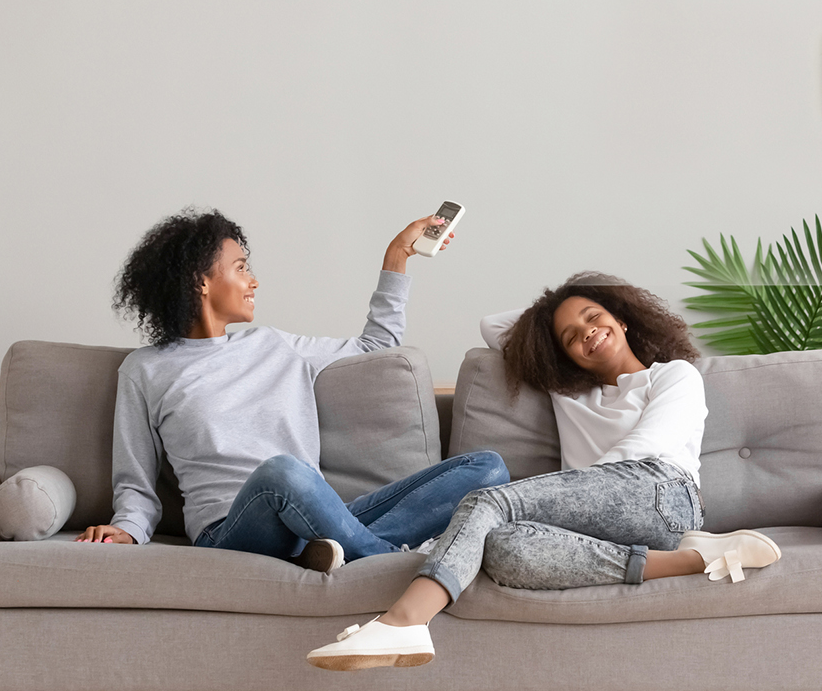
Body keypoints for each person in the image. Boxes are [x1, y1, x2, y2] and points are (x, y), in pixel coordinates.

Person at [306, 271, 782, 671]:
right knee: (501, 548)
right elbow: (495, 326)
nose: (586, 334)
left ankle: (404, 622)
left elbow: (645, 450)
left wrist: (567, 493)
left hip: (662, 495)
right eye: (570, 337)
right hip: (604, 525)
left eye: (594, 317)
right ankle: (694, 560)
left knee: (491, 501)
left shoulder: (672, 374)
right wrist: (550, 326)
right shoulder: (569, 393)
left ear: (622, 317)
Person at [76, 207, 509, 573]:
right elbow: (135, 478)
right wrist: (127, 529)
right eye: (241, 267)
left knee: (486, 467)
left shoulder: (275, 345)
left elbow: (376, 346)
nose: (254, 281)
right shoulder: (146, 370)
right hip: (230, 530)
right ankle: (382, 563)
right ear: (200, 282)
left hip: (314, 518)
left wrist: (397, 257)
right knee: (282, 472)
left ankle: (339, 551)